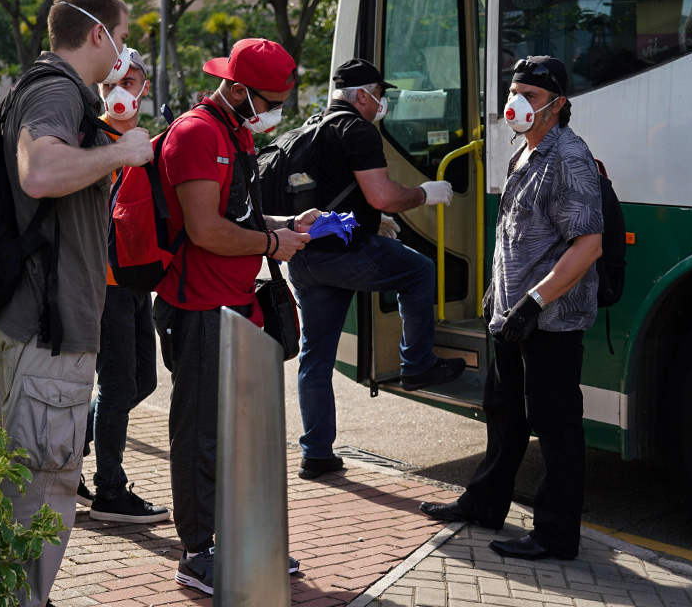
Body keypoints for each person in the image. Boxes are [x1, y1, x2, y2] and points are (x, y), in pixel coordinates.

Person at [0, 0, 153, 607]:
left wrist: (113, 130)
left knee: (29, 474)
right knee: (43, 479)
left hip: (44, 320)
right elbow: (42, 171)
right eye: (123, 35)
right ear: (97, 35)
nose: (126, 48)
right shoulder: (55, 89)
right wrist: (126, 151)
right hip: (49, 324)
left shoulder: (58, 92)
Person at [419, 55, 603, 561]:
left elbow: (587, 246)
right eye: (514, 92)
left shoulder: (569, 158)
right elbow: (514, 237)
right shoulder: (525, 150)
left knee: (557, 424)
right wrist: (497, 297)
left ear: (559, 105)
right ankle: (484, 503)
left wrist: (534, 302)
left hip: (550, 318)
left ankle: (556, 535)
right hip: (510, 313)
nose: (517, 104)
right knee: (502, 411)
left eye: (532, 96)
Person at [152, 38, 314, 595]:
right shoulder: (198, 134)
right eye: (269, 100)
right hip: (197, 310)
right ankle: (197, 553)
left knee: (237, 433)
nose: (273, 112)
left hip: (235, 304)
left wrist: (290, 222)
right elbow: (206, 230)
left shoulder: (236, 131)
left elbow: (236, 215)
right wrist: (273, 243)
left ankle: (237, 540)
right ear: (239, 89)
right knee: (199, 434)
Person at [287, 57, 467, 480]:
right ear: (362, 96)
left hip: (305, 257)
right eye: (380, 95)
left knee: (315, 357)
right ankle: (417, 363)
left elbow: (326, 199)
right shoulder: (357, 130)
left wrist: (370, 218)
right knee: (419, 272)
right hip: (345, 254)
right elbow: (383, 195)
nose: (381, 103)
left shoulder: (308, 128)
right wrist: (423, 194)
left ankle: (316, 453)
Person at [74, 48, 169, 523]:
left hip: (136, 278)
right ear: (99, 87)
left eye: (130, 84)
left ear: (143, 89)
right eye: (113, 83)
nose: (120, 92)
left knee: (142, 381)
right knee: (116, 385)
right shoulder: (90, 136)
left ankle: (75, 446)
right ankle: (110, 489)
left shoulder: (143, 139)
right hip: (104, 282)